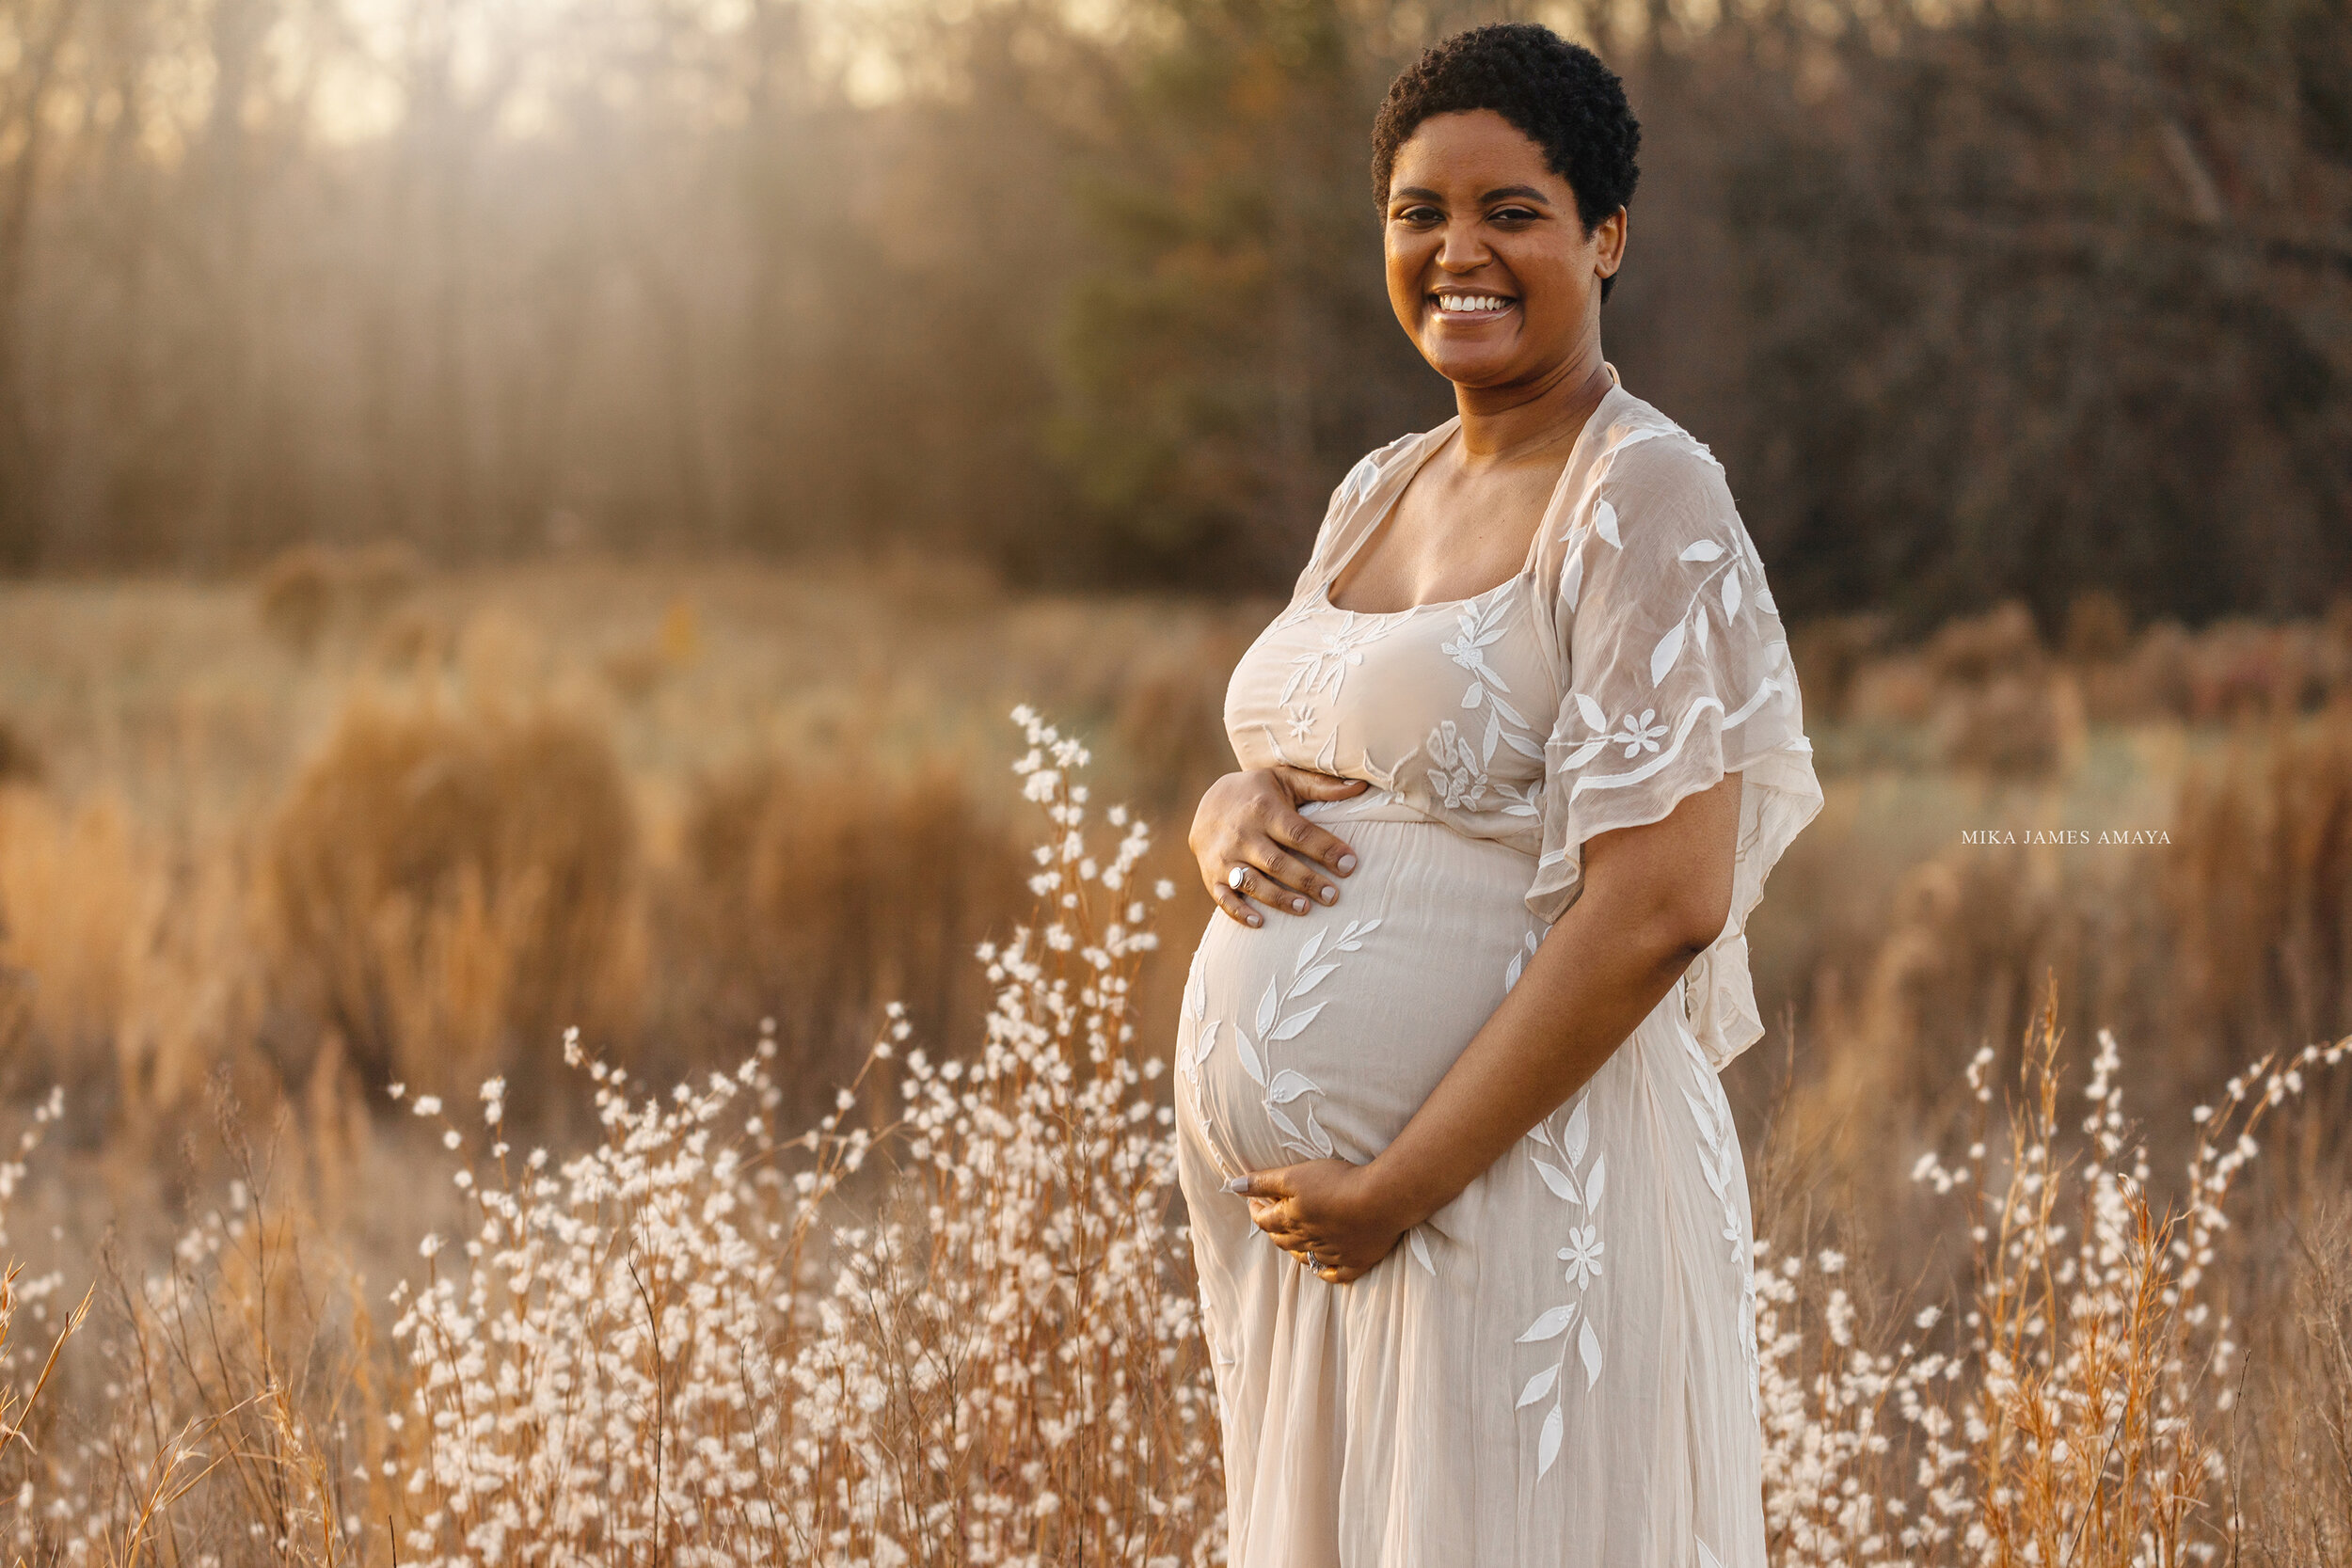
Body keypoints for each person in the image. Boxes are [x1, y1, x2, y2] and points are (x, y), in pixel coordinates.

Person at [1172, 22, 1824, 1567]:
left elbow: (1665, 900)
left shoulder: (1644, 491)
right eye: (1419, 213)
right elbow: (1336, 749)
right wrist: (1225, 807)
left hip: (1514, 1205)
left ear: (1606, 237)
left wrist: (1400, 1182)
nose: (1458, 251)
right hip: (1332, 1249)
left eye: (1511, 213)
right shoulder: (1375, 487)